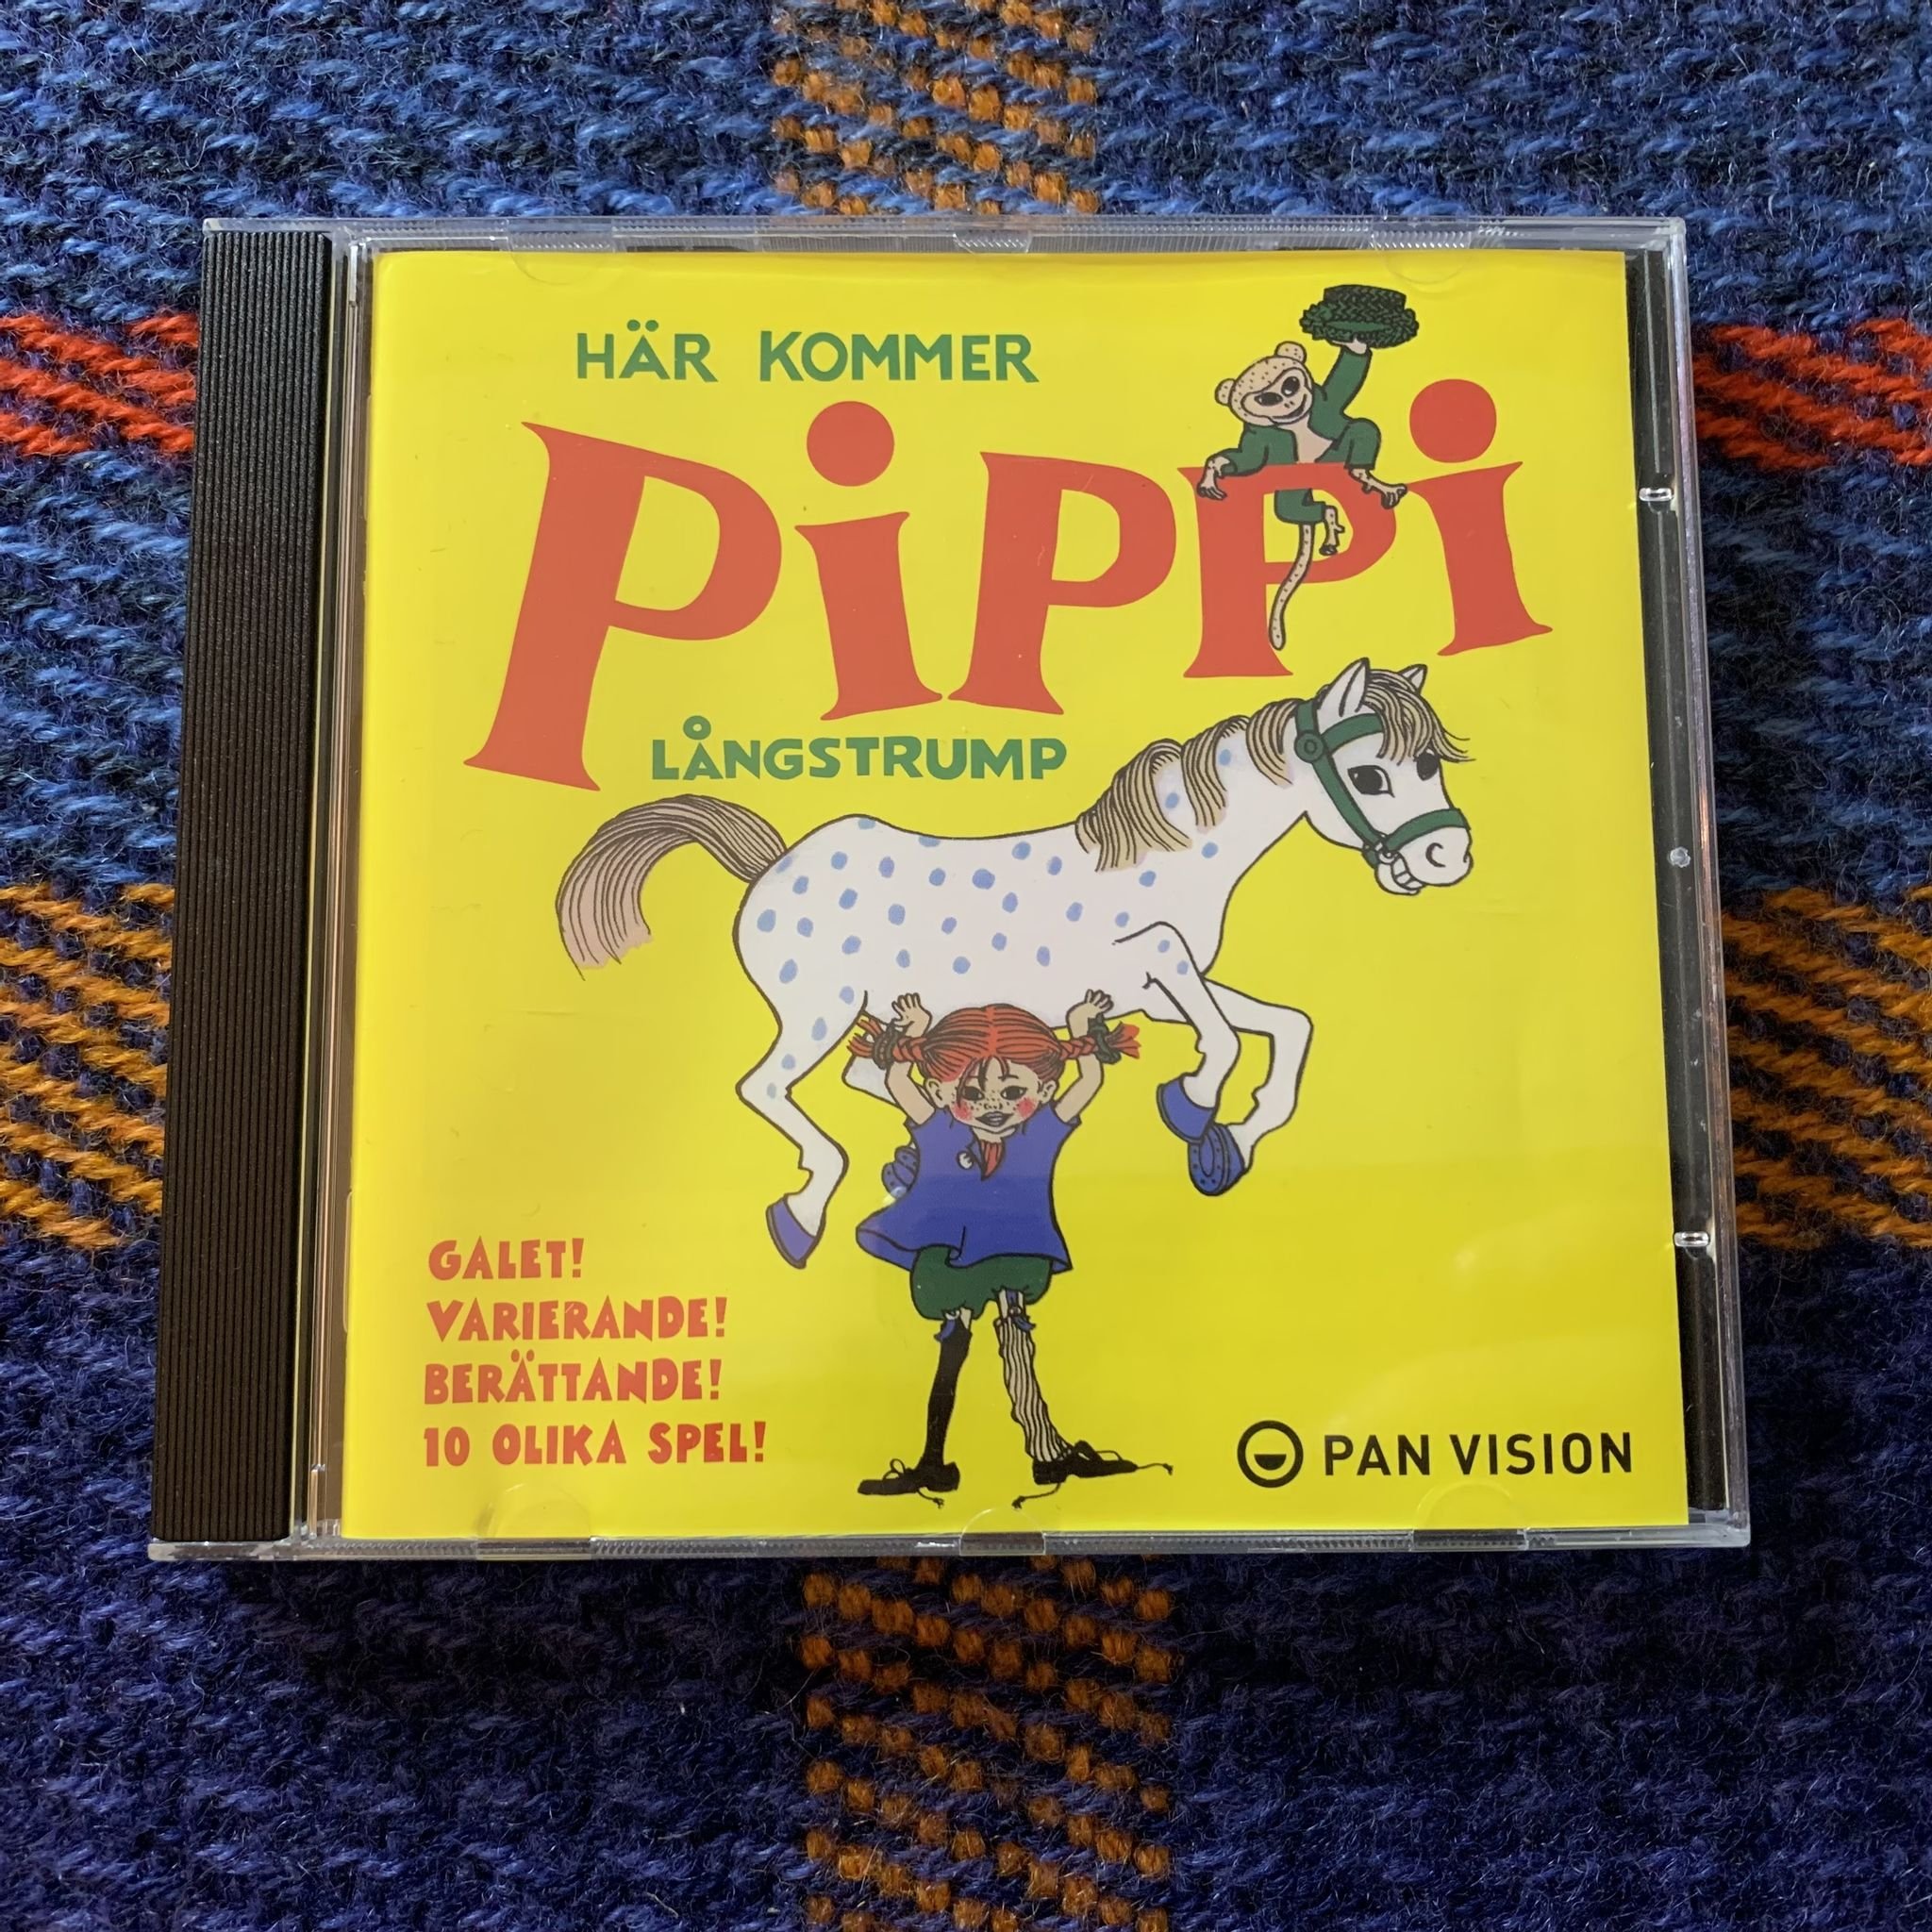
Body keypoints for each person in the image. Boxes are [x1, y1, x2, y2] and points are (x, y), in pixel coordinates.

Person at [846, 990, 1144, 1501]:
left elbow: (1089, 1080)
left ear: (1044, 1088)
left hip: (1013, 1251)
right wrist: (915, 1029)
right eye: (972, 1093)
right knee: (952, 1352)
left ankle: (1047, 1452)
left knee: (1017, 1346)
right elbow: (898, 1080)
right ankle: (933, 1461)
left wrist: (1080, 1024)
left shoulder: (1041, 1130)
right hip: (953, 1255)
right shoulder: (939, 1128)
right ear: (941, 1090)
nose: (992, 1107)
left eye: (1011, 1092)